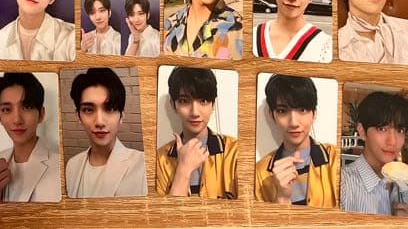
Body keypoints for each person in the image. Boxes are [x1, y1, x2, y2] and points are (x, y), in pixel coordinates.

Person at [254, 74, 339, 206]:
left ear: (314, 114)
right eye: (282, 111)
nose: (293, 122)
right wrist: (281, 198)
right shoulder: (259, 173)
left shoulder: (336, 160)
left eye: (302, 109)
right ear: (272, 115)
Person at [65, 67, 147, 198]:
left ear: (121, 116)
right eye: (88, 110)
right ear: (78, 116)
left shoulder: (143, 166)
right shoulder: (72, 165)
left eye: (110, 108)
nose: (99, 122)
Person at [155, 67, 237, 198]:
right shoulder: (160, 159)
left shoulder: (234, 152)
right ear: (173, 105)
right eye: (184, 101)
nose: (194, 112)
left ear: (213, 104)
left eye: (203, 101)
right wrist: (183, 169)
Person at [0, 73, 59, 203]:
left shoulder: (59, 167)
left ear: (41, 114)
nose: (17, 120)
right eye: (7, 109)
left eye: (27, 107)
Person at [341, 91, 408, 216]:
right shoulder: (341, 186)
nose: (392, 142)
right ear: (362, 131)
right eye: (382, 129)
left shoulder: (404, 186)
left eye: (400, 130)